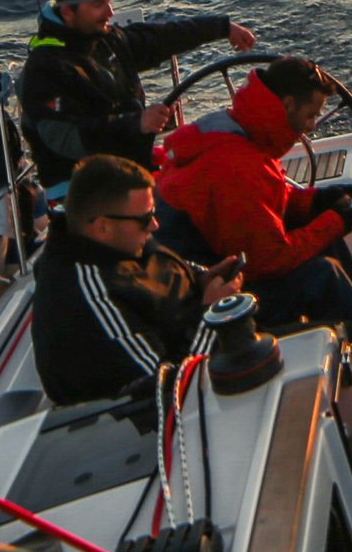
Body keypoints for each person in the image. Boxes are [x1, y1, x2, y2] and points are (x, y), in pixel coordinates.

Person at [153, 56, 352, 335]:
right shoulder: (237, 164)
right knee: (322, 276)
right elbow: (267, 261)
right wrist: (336, 221)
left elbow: (265, 201)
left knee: (322, 227)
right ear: (289, 105)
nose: (312, 125)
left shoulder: (241, 130)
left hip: (224, 254)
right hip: (208, 292)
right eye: (311, 115)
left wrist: (316, 202)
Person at [32, 154, 245, 411]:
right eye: (145, 218)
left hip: (204, 357)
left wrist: (201, 279)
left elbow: (166, 270)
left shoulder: (123, 241)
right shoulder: (90, 296)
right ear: (102, 226)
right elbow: (167, 388)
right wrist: (212, 315)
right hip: (162, 413)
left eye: (153, 213)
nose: (154, 225)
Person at [17, 0, 253, 184]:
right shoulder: (44, 67)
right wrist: (136, 124)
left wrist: (222, 27)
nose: (110, 13)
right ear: (68, 11)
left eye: (109, 1)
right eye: (98, 4)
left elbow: (163, 37)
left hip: (129, 171)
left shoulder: (107, 40)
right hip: (80, 189)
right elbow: (64, 139)